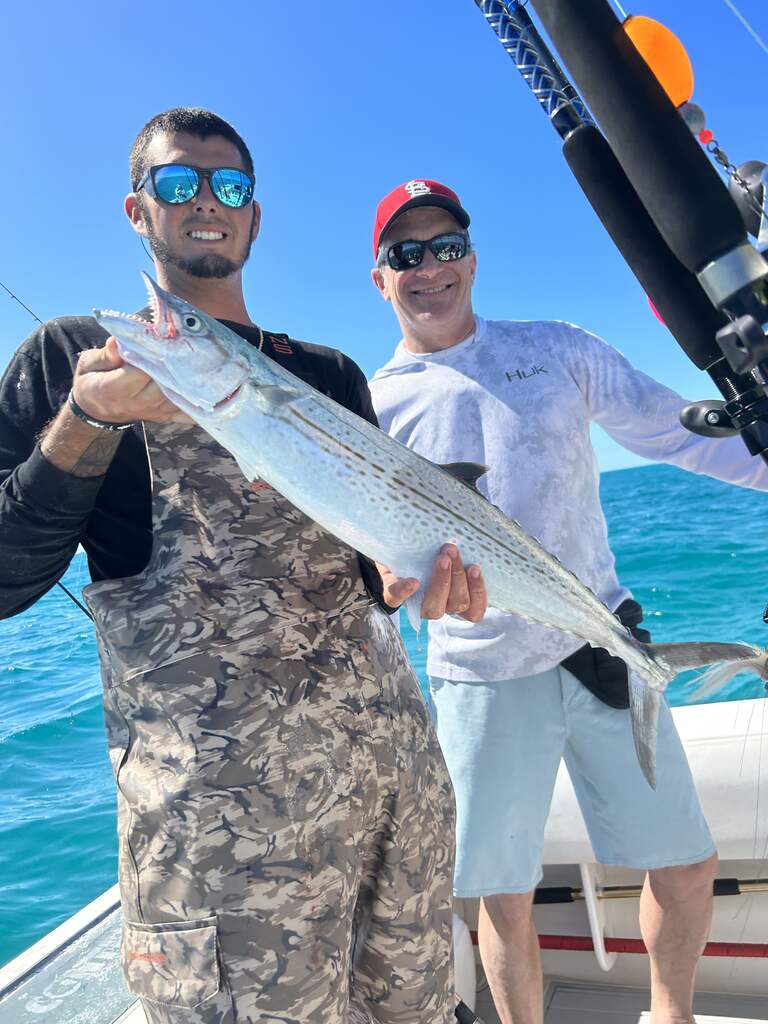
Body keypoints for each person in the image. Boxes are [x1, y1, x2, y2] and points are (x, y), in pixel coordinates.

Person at [0, 117, 488, 1024]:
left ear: (254, 218)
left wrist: (425, 581)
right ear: (137, 209)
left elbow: (367, 571)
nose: (206, 205)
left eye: (228, 188)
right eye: (178, 184)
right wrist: (87, 423)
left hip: (397, 799)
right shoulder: (72, 360)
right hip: (226, 851)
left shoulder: (333, 376)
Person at [367, 179, 768, 1024]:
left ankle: (672, 1015)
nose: (429, 267)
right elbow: (381, 570)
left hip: (601, 650)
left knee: (688, 864)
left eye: (445, 246)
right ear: (381, 278)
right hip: (480, 676)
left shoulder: (556, 347)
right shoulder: (374, 407)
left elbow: (672, 429)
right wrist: (397, 589)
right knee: (502, 893)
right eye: (407, 254)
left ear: (472, 257)